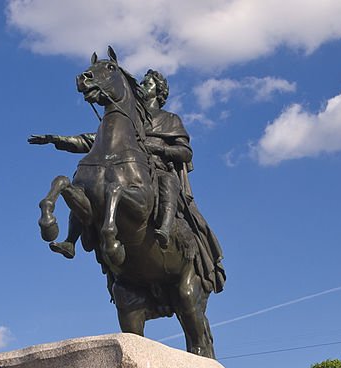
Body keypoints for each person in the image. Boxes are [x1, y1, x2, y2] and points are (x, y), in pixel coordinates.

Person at [28, 70, 224, 296]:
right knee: (88, 183)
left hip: (155, 170)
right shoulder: (128, 118)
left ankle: (164, 228)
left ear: (159, 92)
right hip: (124, 168)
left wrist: (158, 148)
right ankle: (70, 241)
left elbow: (185, 152)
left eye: (148, 83)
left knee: (168, 181)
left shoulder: (169, 119)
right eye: (142, 82)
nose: (143, 86)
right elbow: (91, 140)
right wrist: (58, 140)